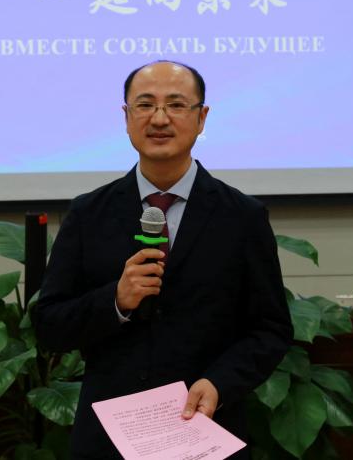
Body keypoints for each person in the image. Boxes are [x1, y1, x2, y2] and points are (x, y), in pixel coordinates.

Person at [34, 60, 293, 459]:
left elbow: (270, 329)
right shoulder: (89, 213)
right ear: (126, 117)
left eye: (175, 105)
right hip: (109, 440)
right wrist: (115, 301)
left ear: (201, 118)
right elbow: (49, 325)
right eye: (145, 105)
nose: (159, 119)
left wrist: (220, 383)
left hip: (205, 431)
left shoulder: (242, 217)